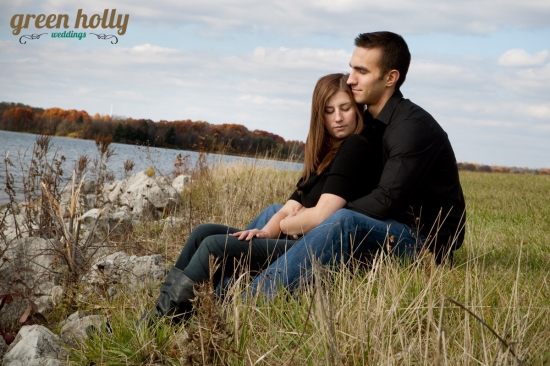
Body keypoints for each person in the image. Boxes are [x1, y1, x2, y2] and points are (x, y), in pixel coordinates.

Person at [148, 73, 383, 321]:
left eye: (345, 108)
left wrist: (286, 224)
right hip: (296, 239)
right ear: (319, 116)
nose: (338, 117)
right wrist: (268, 231)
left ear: (356, 109)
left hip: (310, 248)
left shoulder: (355, 146)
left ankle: (159, 324)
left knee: (214, 246)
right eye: (329, 110)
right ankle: (159, 314)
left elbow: (322, 216)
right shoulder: (326, 154)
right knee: (203, 232)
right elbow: (291, 204)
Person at [249, 31, 466, 295]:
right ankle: (225, 271)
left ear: (390, 78)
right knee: (278, 210)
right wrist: (307, 209)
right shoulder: (371, 125)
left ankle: (251, 298)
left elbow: (386, 200)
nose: (351, 79)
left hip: (423, 242)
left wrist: (319, 215)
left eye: (361, 71)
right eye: (352, 68)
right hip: (385, 224)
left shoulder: (410, 127)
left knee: (342, 220)